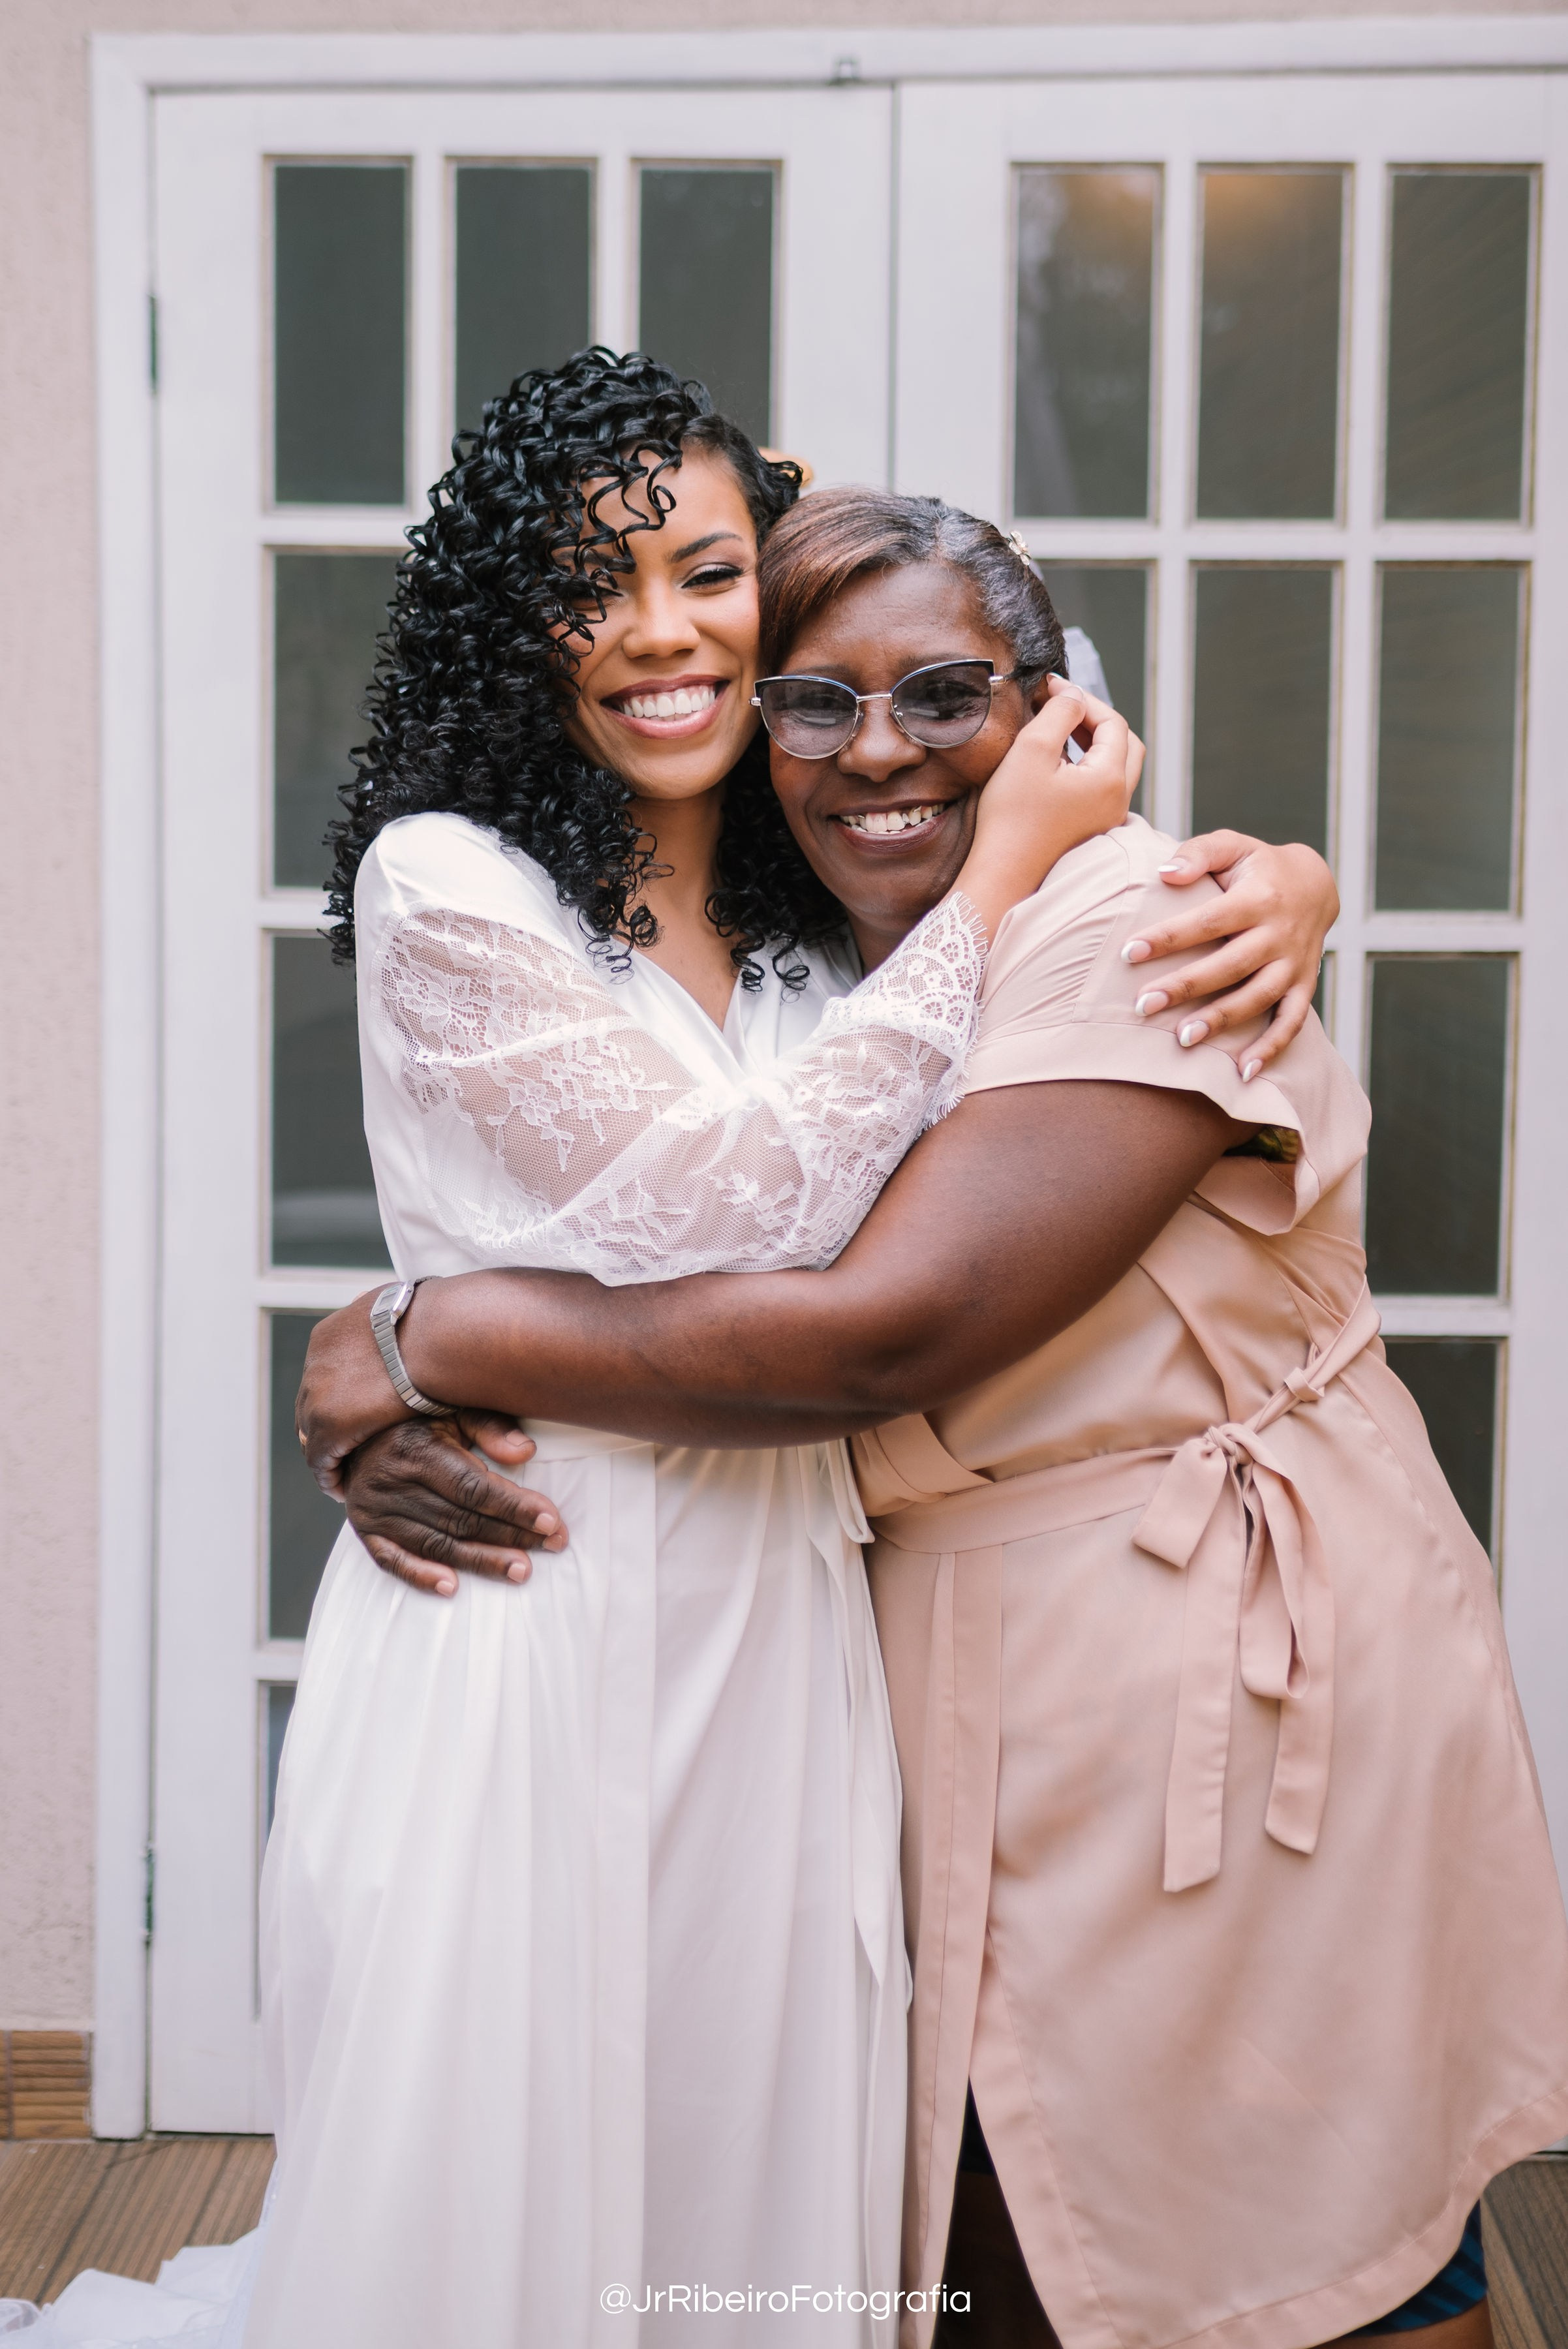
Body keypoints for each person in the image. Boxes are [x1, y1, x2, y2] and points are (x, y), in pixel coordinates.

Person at [302, 483, 1568, 2349]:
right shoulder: (833, 964)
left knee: (1312, 2239)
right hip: (943, 1678)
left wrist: (421, 1335)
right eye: (811, 702)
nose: (874, 749)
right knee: (1006, 2223)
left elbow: (881, 1334)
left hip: (1220, 1661)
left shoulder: (1139, 920)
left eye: (943, 695)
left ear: (1052, 718)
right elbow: (690, 1226)